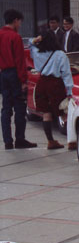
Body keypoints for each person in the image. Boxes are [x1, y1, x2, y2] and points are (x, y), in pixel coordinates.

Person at [29, 32, 74, 150]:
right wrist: (69, 91)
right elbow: (66, 74)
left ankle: (50, 141)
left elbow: (30, 43)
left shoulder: (37, 53)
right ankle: (72, 141)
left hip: (42, 83)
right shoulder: (60, 54)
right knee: (64, 112)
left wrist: (36, 39)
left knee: (46, 113)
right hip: (55, 84)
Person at [1, 9, 38, 150]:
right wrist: (23, 81)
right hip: (14, 74)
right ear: (15, 20)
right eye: (20, 22)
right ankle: (20, 139)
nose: (20, 25)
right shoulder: (15, 37)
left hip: (3, 73)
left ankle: (7, 141)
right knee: (19, 108)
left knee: (5, 108)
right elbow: (20, 61)